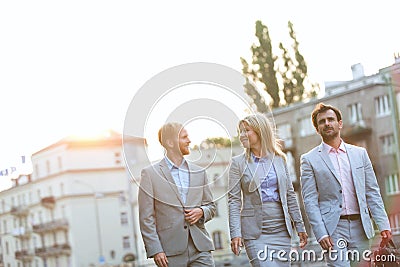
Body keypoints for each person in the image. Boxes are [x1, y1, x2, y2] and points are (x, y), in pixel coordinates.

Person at [300, 103, 392, 266]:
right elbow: (310, 201)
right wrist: (321, 233)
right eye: (322, 121)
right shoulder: (309, 159)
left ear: (339, 124)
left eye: (331, 119)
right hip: (333, 229)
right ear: (317, 129)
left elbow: (372, 192)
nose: (327, 123)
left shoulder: (360, 154)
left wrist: (383, 223)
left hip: (361, 226)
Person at [228, 113, 308, 267]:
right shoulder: (237, 163)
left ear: (260, 131)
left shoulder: (280, 159)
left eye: (246, 130)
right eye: (241, 132)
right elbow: (234, 201)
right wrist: (235, 233)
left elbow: (290, 195)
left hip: (281, 230)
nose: (242, 135)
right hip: (255, 232)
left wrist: (300, 226)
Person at [138, 122, 216, 267]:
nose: (189, 141)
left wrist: (201, 211)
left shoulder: (199, 172)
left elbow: (211, 206)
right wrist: (156, 250)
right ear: (170, 142)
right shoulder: (150, 174)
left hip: (201, 249)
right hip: (169, 253)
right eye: (184, 137)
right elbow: (146, 217)